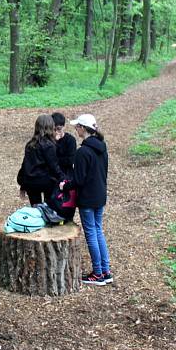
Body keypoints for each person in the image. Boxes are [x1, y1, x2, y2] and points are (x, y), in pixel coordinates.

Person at [63, 114, 112, 286]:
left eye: (77, 127)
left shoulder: (83, 151)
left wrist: (65, 186)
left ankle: (98, 273)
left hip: (87, 199)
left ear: (83, 128)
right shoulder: (102, 147)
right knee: (98, 231)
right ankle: (106, 270)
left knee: (91, 233)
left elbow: (78, 180)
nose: (76, 129)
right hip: (100, 195)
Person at [17, 115, 65, 207]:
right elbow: (54, 166)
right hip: (45, 181)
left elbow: (25, 165)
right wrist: (64, 178)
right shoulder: (49, 145)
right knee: (49, 207)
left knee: (36, 208)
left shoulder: (30, 144)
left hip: (31, 181)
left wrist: (23, 183)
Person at [52, 112, 77, 177]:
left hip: (66, 174)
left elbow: (70, 160)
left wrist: (55, 161)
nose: (56, 131)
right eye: (54, 129)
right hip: (51, 174)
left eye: (59, 129)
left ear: (63, 127)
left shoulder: (70, 140)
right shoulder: (49, 141)